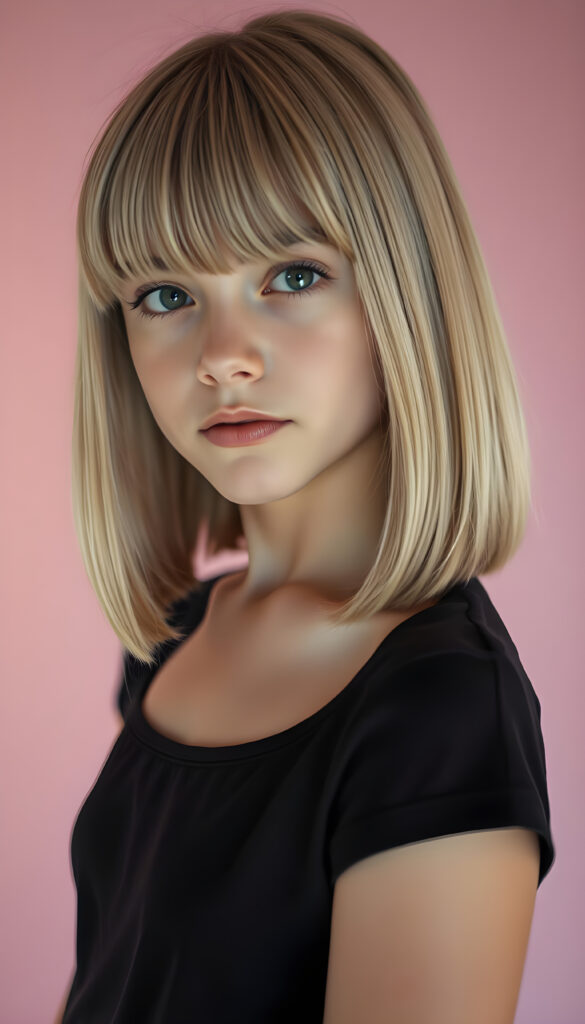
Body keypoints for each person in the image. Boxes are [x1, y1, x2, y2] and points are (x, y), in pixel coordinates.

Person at [56, 9, 555, 1023]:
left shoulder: (439, 714)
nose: (222, 353)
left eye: (292, 275)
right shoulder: (175, 638)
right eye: (164, 293)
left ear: (406, 298)